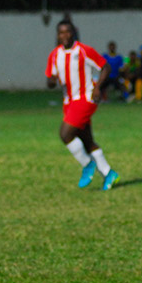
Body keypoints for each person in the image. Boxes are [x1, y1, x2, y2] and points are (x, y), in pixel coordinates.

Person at [45, 19, 120, 191]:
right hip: (69, 102)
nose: (64, 35)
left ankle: (87, 165)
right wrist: (51, 81)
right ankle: (109, 173)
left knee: (65, 134)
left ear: (73, 33)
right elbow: (50, 79)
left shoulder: (84, 50)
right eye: (61, 32)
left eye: (68, 32)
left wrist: (98, 87)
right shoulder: (55, 55)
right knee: (87, 141)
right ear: (57, 35)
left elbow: (105, 67)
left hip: (85, 98)